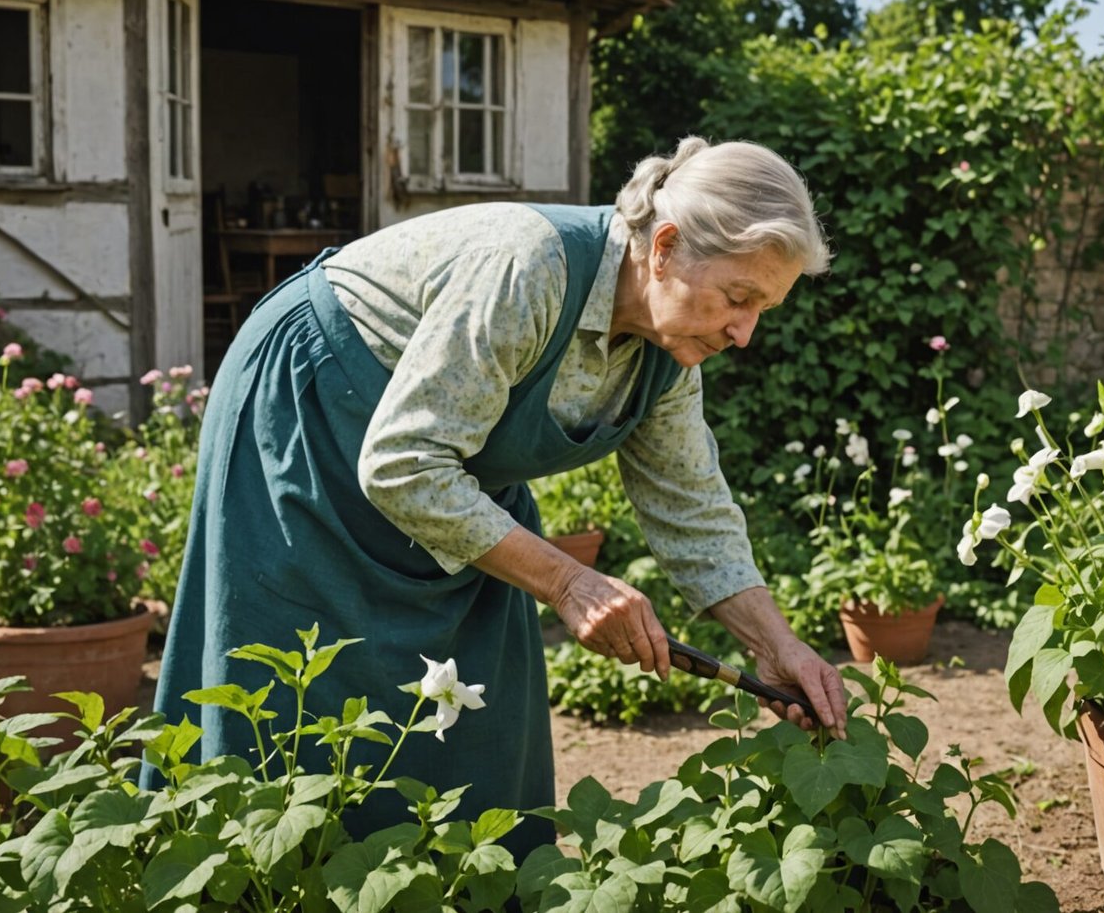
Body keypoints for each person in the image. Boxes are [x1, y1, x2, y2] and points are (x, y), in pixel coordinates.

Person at [149, 136, 848, 858]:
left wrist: (777, 645)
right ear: (665, 246)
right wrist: (569, 581)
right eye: (740, 298)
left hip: (446, 468)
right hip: (316, 411)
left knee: (484, 710)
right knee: (303, 689)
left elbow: (693, 510)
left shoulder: (668, 359)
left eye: (763, 308)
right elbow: (403, 464)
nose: (745, 333)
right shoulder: (530, 266)